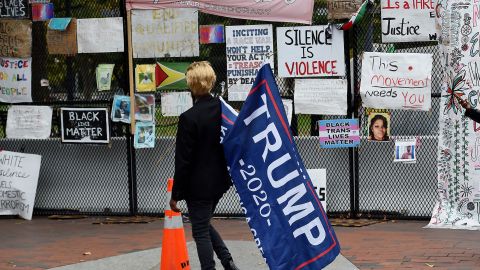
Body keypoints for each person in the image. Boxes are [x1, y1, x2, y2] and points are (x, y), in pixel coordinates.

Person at [169, 61, 239, 270]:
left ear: (191, 85)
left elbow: (183, 161)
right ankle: (228, 261)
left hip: (196, 187)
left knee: (199, 230)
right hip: (219, 183)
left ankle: (212, 267)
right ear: (211, 81)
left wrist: (175, 194)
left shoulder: (188, 118)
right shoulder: (223, 110)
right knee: (203, 222)